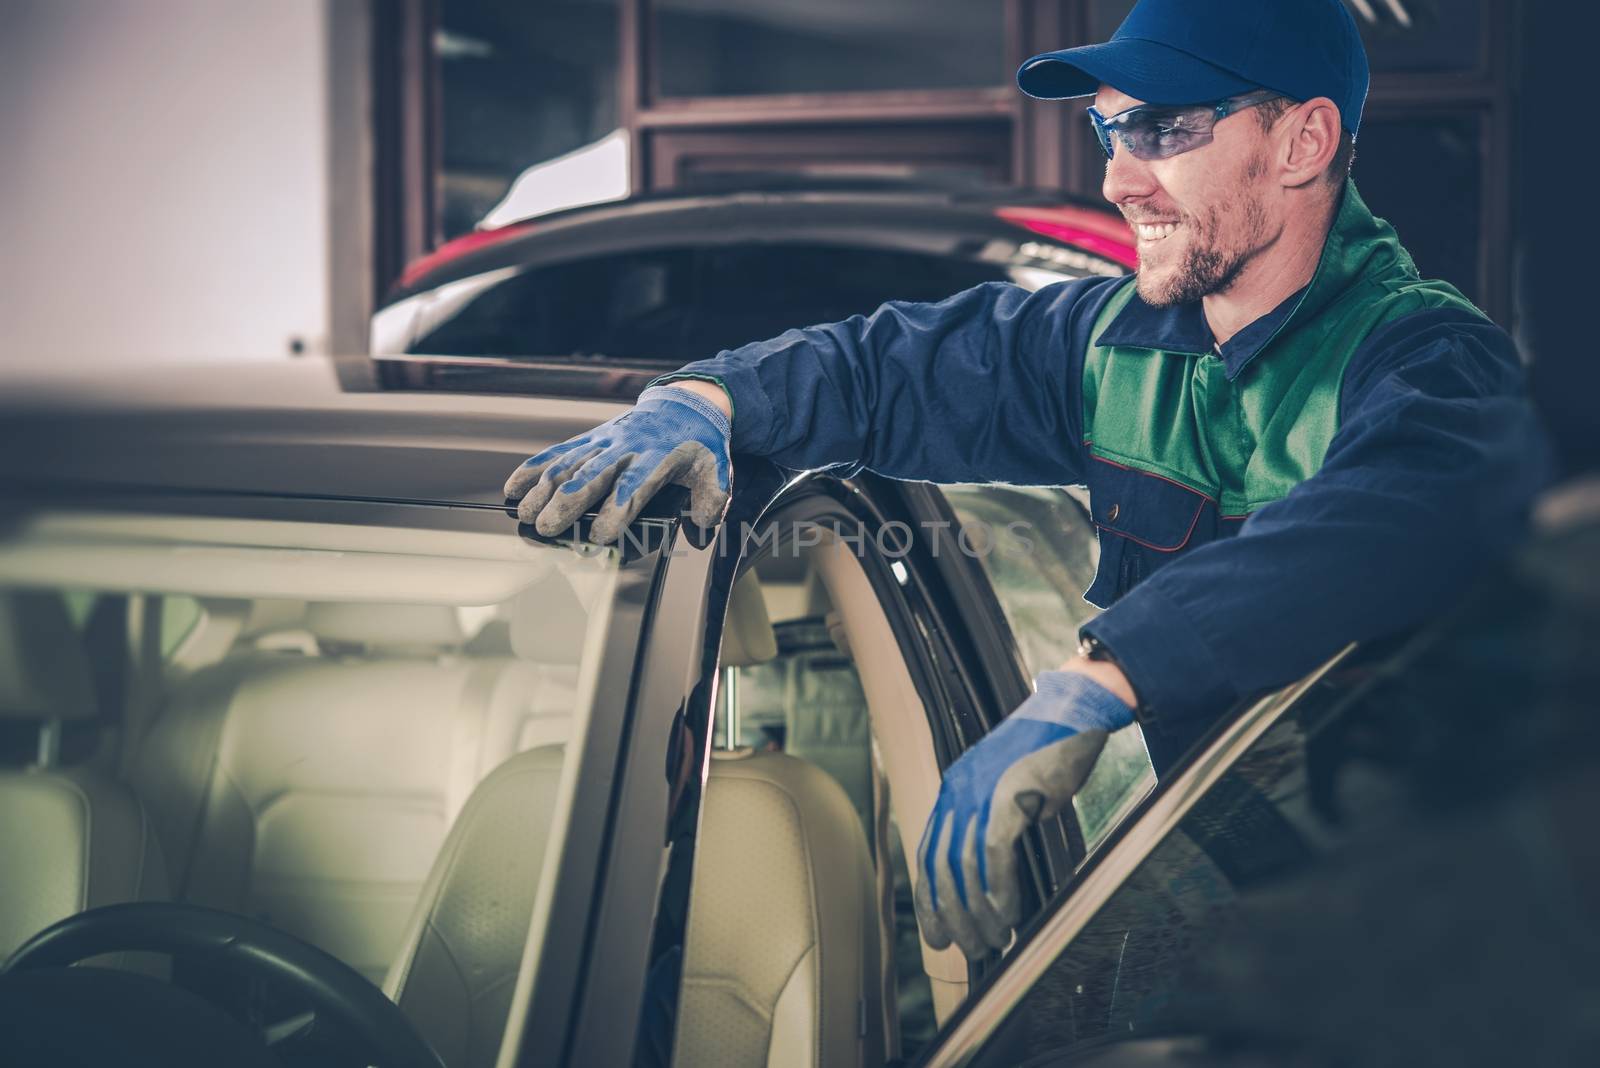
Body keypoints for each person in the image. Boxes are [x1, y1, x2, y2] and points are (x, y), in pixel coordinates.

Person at [502, 0, 1551, 962]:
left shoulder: (1428, 361)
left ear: (1301, 142)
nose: (1117, 178)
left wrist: (1102, 681)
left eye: (1162, 130)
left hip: (1412, 943)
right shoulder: (1114, 345)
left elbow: (1383, 521)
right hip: (1218, 904)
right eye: (1111, 131)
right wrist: (708, 402)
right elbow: (886, 368)